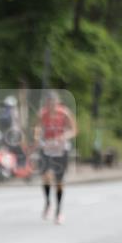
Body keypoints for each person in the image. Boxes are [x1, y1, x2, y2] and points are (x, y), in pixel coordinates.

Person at [34, 90, 77, 224]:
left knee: (59, 181)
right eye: (49, 103)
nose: (51, 106)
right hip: (47, 148)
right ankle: (48, 203)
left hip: (60, 149)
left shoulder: (65, 113)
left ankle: (59, 211)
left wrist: (63, 137)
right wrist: (37, 138)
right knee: (45, 177)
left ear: (57, 103)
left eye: (53, 103)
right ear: (46, 103)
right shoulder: (42, 113)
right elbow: (37, 128)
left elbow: (74, 130)